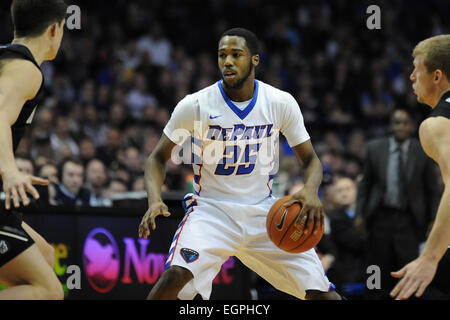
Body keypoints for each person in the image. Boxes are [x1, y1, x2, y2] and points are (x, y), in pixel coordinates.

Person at [139, 28, 342, 300]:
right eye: (222, 55)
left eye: (237, 55)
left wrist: (310, 190)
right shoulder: (195, 105)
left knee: (322, 295)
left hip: (265, 214)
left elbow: (310, 160)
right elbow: (157, 158)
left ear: (255, 60)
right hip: (212, 212)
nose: (228, 61)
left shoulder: (280, 103)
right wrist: (154, 200)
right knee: (175, 275)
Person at [0, 0, 66, 299]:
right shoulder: (26, 69)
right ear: (55, 30)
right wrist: (11, 171)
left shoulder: (9, 60)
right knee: (49, 291)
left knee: (45, 256)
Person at [355, 108, 441, 299]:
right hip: (379, 217)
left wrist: (434, 219)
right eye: (396, 122)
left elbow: (432, 190)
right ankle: (372, 298)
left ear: (411, 126)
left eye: (404, 123)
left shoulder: (423, 150)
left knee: (407, 268)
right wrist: (360, 214)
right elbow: (365, 184)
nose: (400, 126)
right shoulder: (374, 148)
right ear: (390, 126)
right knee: (374, 268)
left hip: (409, 221)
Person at [390, 34, 450, 300]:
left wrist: (429, 257)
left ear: (437, 77)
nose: (412, 77)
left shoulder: (435, 125)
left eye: (416, 69)